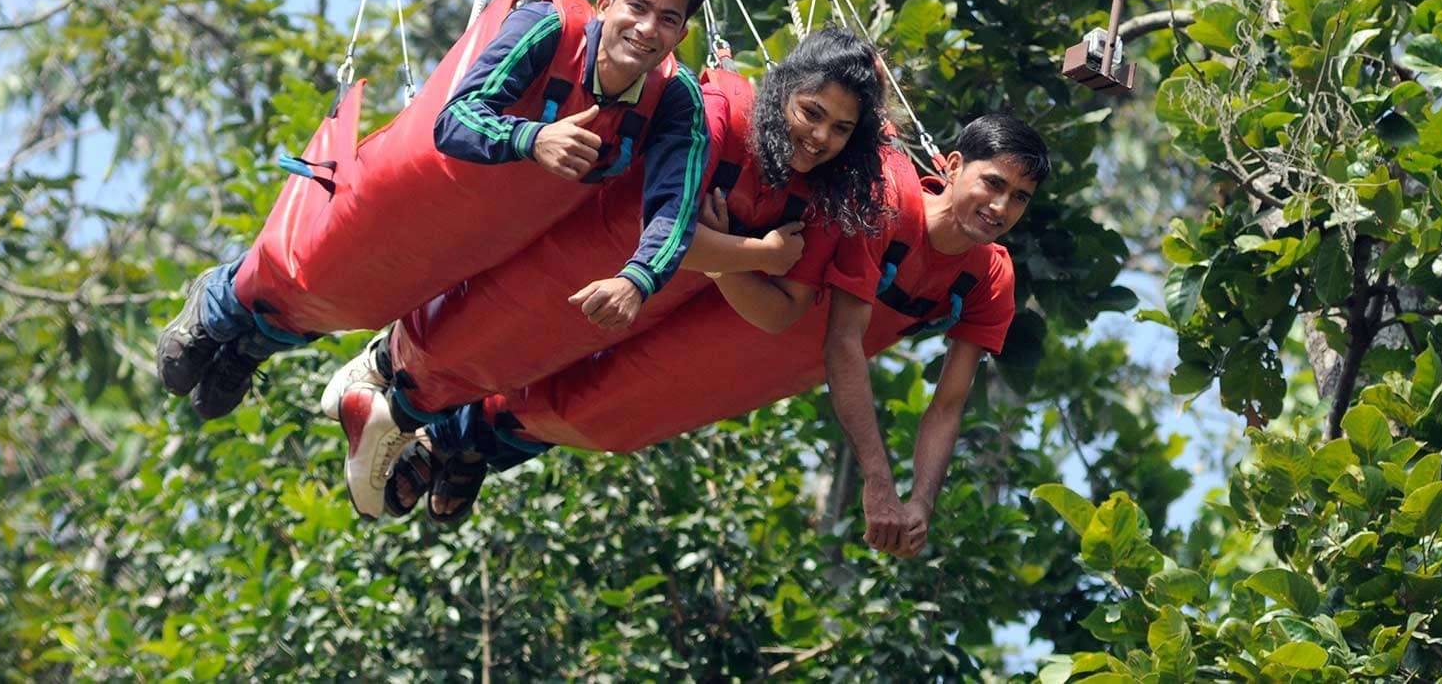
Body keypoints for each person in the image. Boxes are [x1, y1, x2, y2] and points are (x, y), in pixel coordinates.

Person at [403, 112, 1048, 556]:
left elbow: (950, 403)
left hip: (773, 358)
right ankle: (440, 424)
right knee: (604, 356)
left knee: (615, 413)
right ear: (955, 164)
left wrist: (921, 505)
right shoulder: (888, 201)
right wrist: (880, 485)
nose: (999, 207)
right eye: (993, 183)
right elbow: (842, 344)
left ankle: (476, 447)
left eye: (1018, 198)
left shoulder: (990, 276)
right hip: (752, 306)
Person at [155, 0, 711, 430]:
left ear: (681, 33)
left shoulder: (673, 97)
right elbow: (455, 118)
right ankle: (221, 305)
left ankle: (248, 348)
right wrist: (532, 139)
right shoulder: (549, 30)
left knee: (370, 297)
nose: (646, 29)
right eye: (638, 7)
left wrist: (640, 278)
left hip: (485, 234)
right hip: (426, 190)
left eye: (667, 19)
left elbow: (675, 203)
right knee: (332, 259)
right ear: (607, 5)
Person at [337, 27, 894, 521]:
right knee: (496, 338)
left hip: (646, 305)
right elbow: (667, 231)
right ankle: (390, 389)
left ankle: (458, 444)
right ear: (783, 93)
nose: (820, 138)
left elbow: (779, 312)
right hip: (589, 264)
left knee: (589, 398)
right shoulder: (718, 113)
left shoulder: (833, 192)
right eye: (811, 113)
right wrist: (759, 254)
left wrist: (725, 258)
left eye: (841, 128)